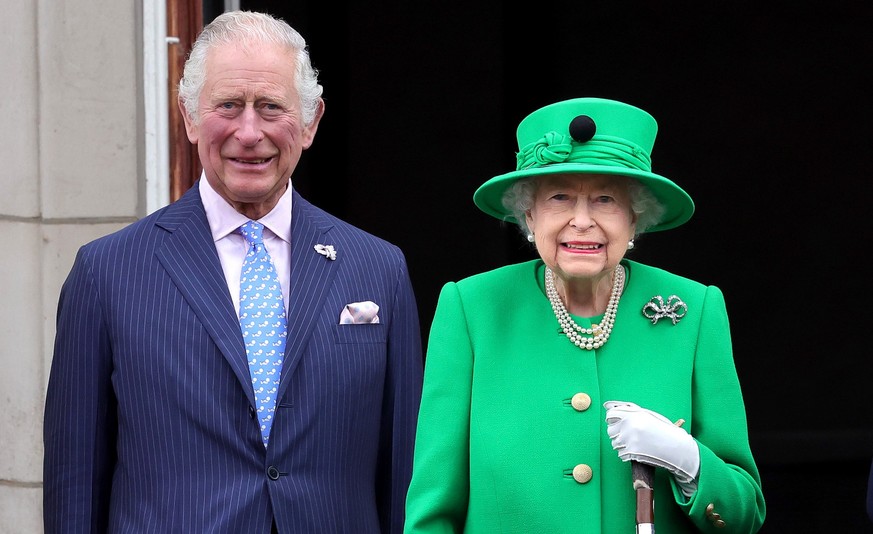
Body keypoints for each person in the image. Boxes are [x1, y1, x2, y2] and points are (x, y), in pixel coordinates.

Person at [43, 10, 423, 533]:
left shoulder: (379, 269)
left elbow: (405, 476)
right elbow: (74, 485)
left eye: (271, 107)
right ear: (189, 116)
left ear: (310, 123)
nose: (249, 132)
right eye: (228, 105)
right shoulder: (106, 272)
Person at [404, 97, 766, 533]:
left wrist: (691, 464)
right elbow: (432, 510)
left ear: (635, 219)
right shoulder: (472, 308)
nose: (581, 221)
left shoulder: (695, 310)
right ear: (529, 214)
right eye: (560, 197)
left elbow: (744, 515)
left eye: (605, 199)